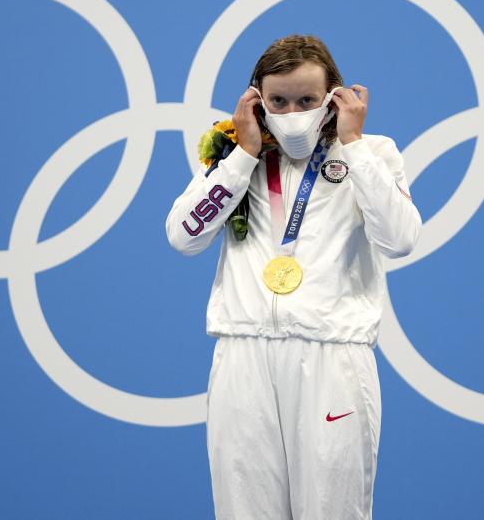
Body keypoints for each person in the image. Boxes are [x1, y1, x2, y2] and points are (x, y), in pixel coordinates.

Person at [165, 34, 422, 519]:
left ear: (334, 95)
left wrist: (353, 145)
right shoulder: (233, 156)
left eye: (307, 99)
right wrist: (240, 157)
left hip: (333, 355)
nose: (293, 112)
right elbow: (184, 235)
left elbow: (401, 239)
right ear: (255, 100)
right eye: (278, 100)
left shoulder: (374, 152)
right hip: (242, 354)